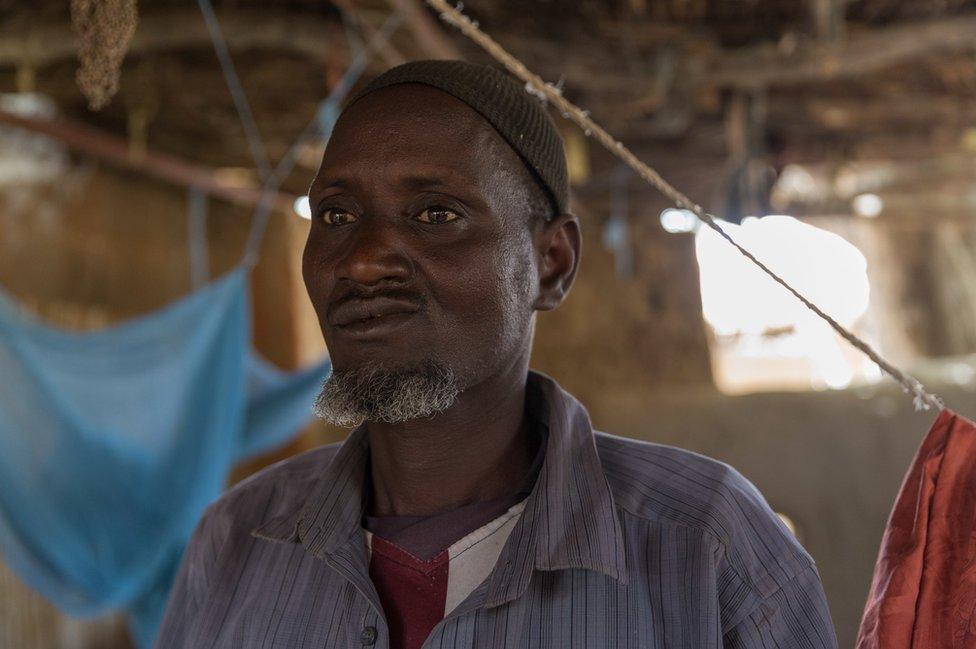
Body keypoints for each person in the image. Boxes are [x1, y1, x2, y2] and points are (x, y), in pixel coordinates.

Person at [153, 60, 837, 649]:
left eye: (435, 214)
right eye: (335, 215)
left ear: (552, 261)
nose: (360, 261)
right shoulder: (237, 542)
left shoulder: (704, 547)